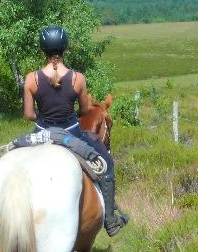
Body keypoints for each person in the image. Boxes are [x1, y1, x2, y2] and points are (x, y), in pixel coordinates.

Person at [23, 25, 129, 237]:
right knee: (106, 164)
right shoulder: (77, 78)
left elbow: (29, 115)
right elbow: (83, 110)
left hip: (41, 133)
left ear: (42, 49)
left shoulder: (31, 79)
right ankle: (110, 220)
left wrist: (43, 117)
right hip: (71, 134)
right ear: (65, 48)